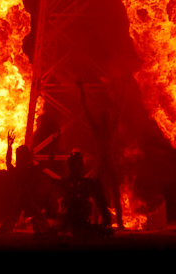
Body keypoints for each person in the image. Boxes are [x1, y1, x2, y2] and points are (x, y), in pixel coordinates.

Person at [77, 79, 124, 229]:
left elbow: (120, 109)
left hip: (107, 162)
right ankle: (99, 220)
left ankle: (116, 222)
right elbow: (86, 110)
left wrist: (125, 90)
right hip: (104, 163)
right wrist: (81, 90)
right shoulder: (101, 130)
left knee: (111, 193)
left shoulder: (107, 130)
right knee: (101, 193)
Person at [0, 130, 50, 234]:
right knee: (32, 214)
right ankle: (46, 227)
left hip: (23, 195)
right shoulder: (30, 170)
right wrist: (53, 146)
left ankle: (6, 229)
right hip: (24, 195)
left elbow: (8, 163)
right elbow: (49, 162)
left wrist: (9, 146)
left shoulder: (23, 170)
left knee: (14, 216)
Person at [60, 150, 112, 236]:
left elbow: (101, 203)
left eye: (76, 163)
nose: (75, 166)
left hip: (77, 222)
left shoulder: (87, 184)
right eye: (74, 164)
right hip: (71, 222)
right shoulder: (65, 184)